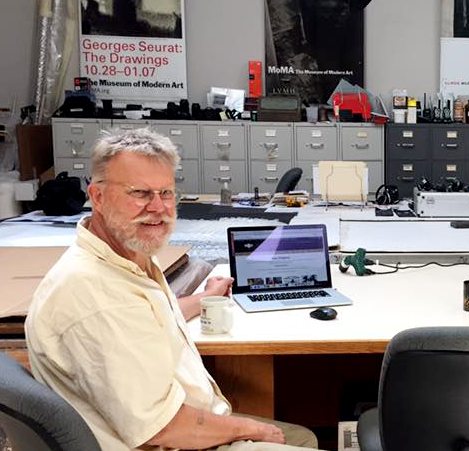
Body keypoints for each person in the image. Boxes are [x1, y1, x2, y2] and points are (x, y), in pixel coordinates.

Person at [25, 128, 320, 451]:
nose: (158, 207)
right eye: (140, 193)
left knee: (303, 437)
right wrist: (248, 428)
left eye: (166, 193)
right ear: (97, 197)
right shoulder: (92, 292)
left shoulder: (123, 262)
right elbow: (161, 428)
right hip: (173, 439)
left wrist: (204, 299)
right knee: (289, 435)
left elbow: (142, 319)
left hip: (187, 422)